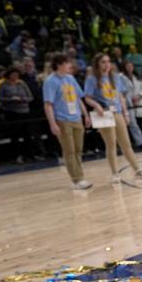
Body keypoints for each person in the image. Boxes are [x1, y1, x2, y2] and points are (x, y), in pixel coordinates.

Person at [84, 52, 142, 182]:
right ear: (97, 64)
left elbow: (120, 97)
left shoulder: (115, 77)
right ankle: (115, 173)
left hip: (117, 113)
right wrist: (97, 106)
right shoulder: (92, 79)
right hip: (104, 114)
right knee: (111, 145)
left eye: (108, 61)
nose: (107, 64)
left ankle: (138, 170)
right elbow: (87, 98)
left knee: (126, 144)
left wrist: (125, 113)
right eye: (103, 62)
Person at [43, 53, 92, 189]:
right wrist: (52, 123)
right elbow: (48, 104)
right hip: (62, 120)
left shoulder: (70, 78)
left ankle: (77, 176)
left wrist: (86, 115)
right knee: (69, 150)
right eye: (67, 63)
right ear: (59, 65)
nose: (70, 65)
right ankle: (77, 179)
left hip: (76, 117)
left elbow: (78, 98)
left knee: (78, 149)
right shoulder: (50, 81)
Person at [0, 67, 38, 163]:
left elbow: (30, 97)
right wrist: (11, 99)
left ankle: (30, 155)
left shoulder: (22, 83)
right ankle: (17, 156)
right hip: (12, 113)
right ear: (9, 75)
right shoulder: (4, 85)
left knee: (28, 134)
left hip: (25, 111)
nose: (15, 76)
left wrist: (23, 99)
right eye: (13, 75)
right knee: (15, 135)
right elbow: (0, 99)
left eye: (17, 75)